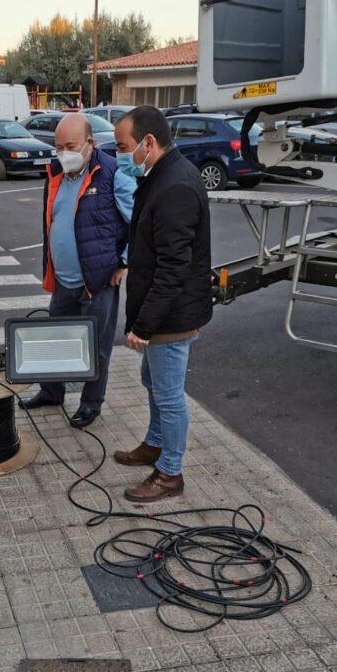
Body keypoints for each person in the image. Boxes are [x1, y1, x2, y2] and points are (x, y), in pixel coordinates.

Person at [113, 106, 212, 503]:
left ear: (148, 143)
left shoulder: (175, 187)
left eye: (124, 147)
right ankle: (154, 444)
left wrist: (143, 326)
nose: (120, 155)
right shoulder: (162, 175)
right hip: (162, 313)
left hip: (170, 317)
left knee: (169, 395)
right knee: (152, 382)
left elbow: (173, 269)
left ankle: (170, 473)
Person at [20, 113, 136, 428]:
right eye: (58, 147)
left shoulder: (112, 175)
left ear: (89, 143)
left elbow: (141, 223)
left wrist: (124, 261)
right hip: (63, 280)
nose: (62, 153)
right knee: (54, 340)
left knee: (96, 348)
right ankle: (52, 391)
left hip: (98, 281)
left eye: (69, 146)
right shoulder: (57, 173)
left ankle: (90, 404)